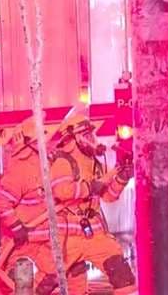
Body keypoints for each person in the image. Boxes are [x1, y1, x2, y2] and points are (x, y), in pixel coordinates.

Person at [0, 116, 88, 294]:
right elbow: (2, 204)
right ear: (30, 142)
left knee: (58, 272)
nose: (46, 144)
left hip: (41, 241)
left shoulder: (43, 166)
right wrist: (17, 227)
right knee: (9, 284)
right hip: (22, 244)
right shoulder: (20, 170)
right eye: (41, 139)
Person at [50, 107, 136, 294]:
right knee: (51, 284)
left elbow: (107, 196)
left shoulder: (95, 163)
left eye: (92, 135)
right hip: (67, 240)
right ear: (73, 139)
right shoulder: (63, 162)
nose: (92, 140)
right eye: (86, 135)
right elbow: (62, 191)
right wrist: (91, 187)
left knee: (123, 277)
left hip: (94, 235)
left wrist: (121, 178)